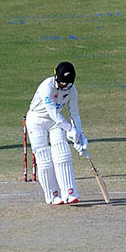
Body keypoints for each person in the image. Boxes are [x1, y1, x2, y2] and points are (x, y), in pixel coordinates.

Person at [26, 61, 89, 204]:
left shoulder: (72, 91)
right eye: (61, 83)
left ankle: (70, 193)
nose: (64, 87)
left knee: (63, 153)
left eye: (67, 84)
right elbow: (53, 112)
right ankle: (53, 195)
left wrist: (80, 135)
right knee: (45, 159)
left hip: (56, 122)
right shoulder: (46, 87)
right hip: (37, 120)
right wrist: (69, 129)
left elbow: (74, 114)